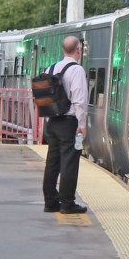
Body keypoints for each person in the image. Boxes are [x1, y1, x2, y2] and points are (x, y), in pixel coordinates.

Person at [42, 35, 89, 214]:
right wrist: (82, 124)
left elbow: (44, 98)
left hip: (53, 121)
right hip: (69, 123)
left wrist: (48, 120)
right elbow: (79, 101)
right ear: (78, 50)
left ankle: (50, 202)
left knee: (52, 163)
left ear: (63, 50)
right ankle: (67, 203)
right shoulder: (76, 70)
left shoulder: (51, 68)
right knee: (69, 163)